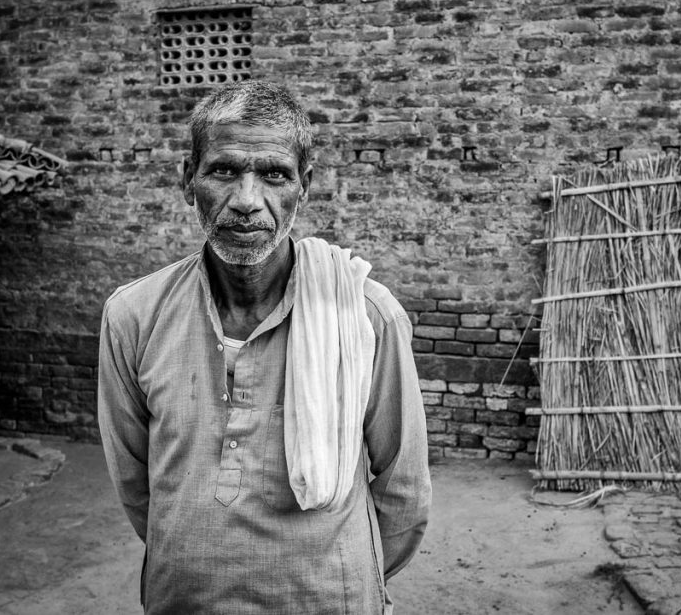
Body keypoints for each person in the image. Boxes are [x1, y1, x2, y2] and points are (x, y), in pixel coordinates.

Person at [97, 81, 431, 614]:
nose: (247, 201)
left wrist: (338, 576)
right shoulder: (133, 315)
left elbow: (404, 491)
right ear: (189, 180)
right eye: (224, 170)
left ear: (304, 186)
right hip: (183, 598)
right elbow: (136, 484)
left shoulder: (365, 316)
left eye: (273, 174)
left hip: (328, 599)